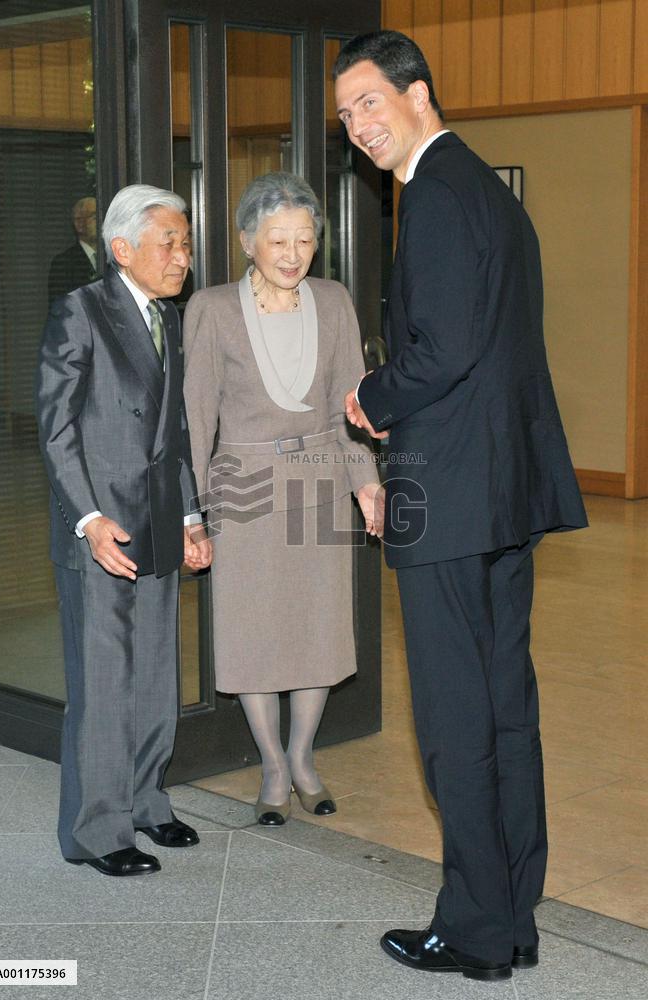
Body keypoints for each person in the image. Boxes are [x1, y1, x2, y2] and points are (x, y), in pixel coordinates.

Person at [334, 31, 587, 982]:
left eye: (369, 102)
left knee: (454, 721)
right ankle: (512, 914)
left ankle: (475, 931)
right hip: (502, 495)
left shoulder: (434, 196)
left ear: (418, 94)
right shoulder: (487, 192)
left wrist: (371, 398)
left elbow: (440, 352)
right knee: (504, 712)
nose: (359, 126)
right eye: (348, 114)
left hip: (446, 497)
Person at [182, 172, 381, 826]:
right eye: (278, 240)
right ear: (247, 241)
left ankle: (302, 759)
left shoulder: (334, 301)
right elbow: (196, 417)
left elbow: (350, 406)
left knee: (317, 630)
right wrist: (197, 510)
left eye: (305, 239)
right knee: (255, 634)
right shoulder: (211, 309)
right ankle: (270, 764)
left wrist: (367, 481)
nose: (294, 253)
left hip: (321, 483)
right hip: (243, 487)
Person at [37, 184, 212, 877]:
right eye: (169, 242)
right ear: (122, 249)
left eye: (185, 242)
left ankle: (147, 802)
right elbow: (54, 430)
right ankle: (96, 829)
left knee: (154, 677)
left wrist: (194, 516)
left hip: (161, 524)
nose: (182, 256)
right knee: (104, 681)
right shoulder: (78, 314)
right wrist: (87, 519)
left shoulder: (167, 317)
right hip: (102, 532)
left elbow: (176, 433)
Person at [48, 196, 98, 303]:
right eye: (94, 217)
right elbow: (61, 310)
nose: (101, 222)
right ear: (79, 225)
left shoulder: (113, 258)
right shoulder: (64, 263)